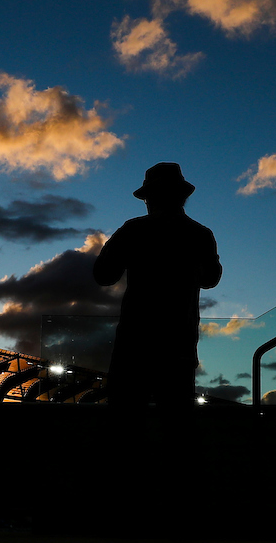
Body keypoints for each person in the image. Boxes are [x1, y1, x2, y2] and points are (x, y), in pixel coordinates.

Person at [93, 162, 222, 409]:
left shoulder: (134, 230)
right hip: (179, 349)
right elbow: (211, 279)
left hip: (133, 348)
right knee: (174, 428)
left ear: (150, 197)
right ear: (182, 197)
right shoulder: (200, 235)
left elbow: (103, 275)